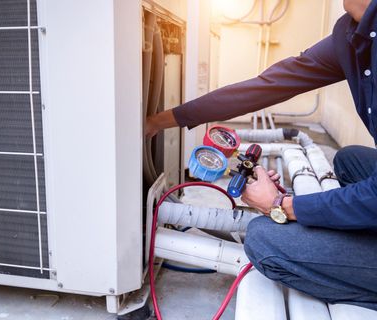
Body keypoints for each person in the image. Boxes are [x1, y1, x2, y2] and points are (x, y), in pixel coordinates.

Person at [146, 0, 377, 310]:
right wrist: (160, 121)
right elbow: (267, 86)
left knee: (264, 240)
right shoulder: (352, 32)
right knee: (349, 160)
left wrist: (282, 205)